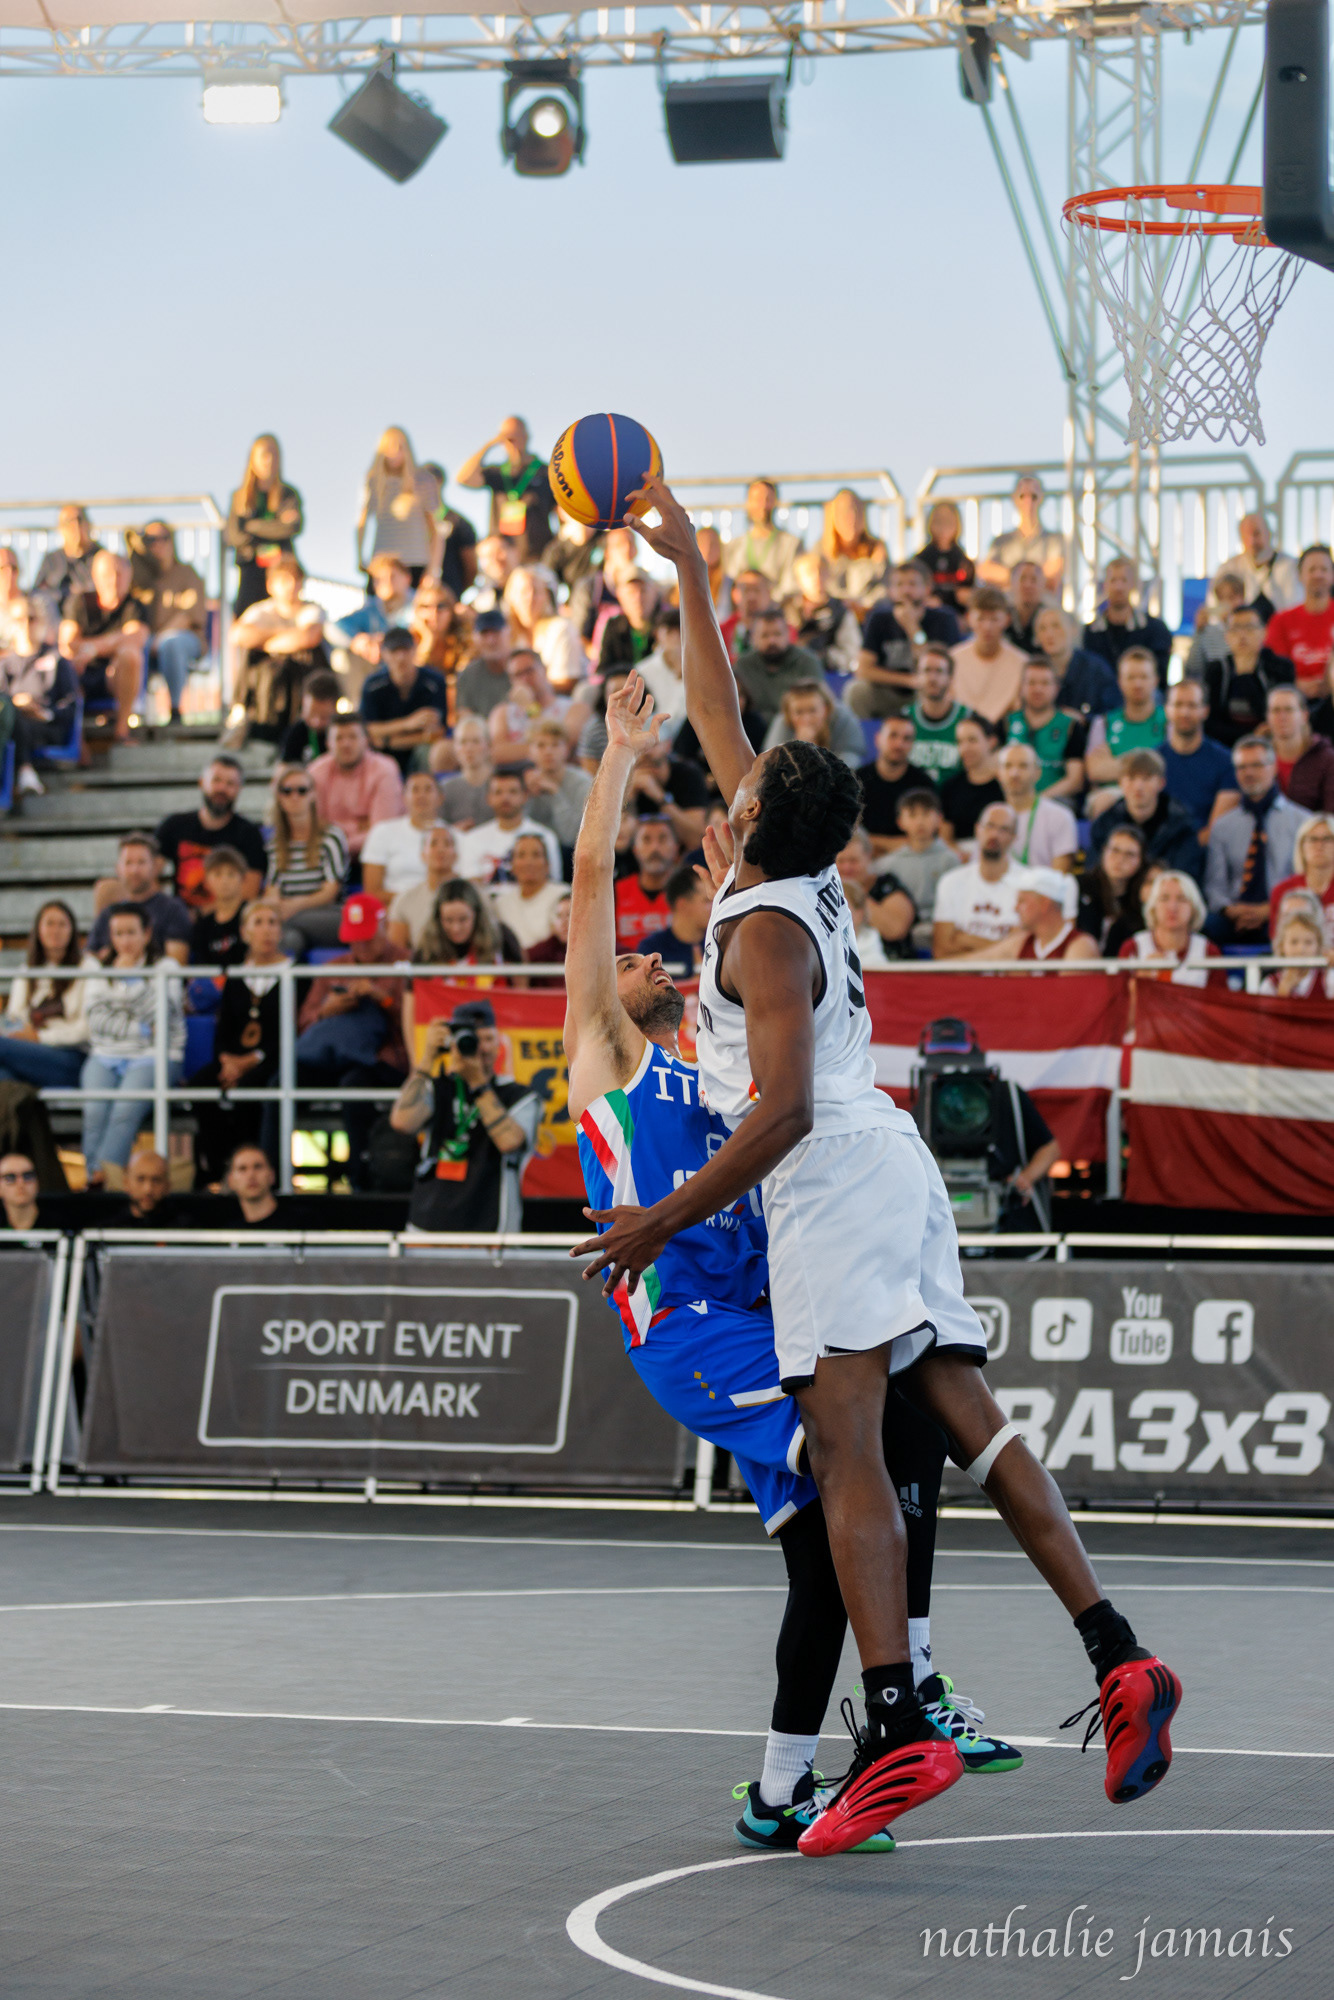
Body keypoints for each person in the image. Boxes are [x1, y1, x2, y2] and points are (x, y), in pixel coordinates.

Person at [589, 485, 1179, 1852]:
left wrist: (655, 1224)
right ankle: (1118, 1654)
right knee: (972, 1418)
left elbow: (781, 1112)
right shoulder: (803, 876)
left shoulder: (762, 937)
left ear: (747, 822)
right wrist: (679, 548)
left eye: (738, 784)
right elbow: (717, 693)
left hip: (833, 1173)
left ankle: (899, 1725)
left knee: (844, 1445)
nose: (727, 778)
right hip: (891, 1160)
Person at [565, 676, 1016, 1847]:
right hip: (683, 1320)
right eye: (635, 957)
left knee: (834, 1539)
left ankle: (778, 1787)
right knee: (858, 1451)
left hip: (763, 1307)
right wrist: (617, 758)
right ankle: (908, 1688)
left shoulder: (732, 1053)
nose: (650, 962)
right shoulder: (610, 1056)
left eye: (668, 951)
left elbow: (780, 1055)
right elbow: (585, 913)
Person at [391, 998, 540, 1231]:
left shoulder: (519, 1095)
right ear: (452, 1044)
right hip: (427, 1228)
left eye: (488, 1039)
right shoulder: (438, 1086)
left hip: (491, 1231)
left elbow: (510, 1142)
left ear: (499, 1044)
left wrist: (478, 1083)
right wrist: (427, 1059)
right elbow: (401, 1122)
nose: (480, 1047)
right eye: (472, 1039)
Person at [79, 902, 185, 1188]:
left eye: (130, 932)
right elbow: (95, 1019)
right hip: (104, 1054)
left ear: (147, 933)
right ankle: (95, 1180)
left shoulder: (166, 966)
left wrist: (132, 981)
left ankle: (104, 1181)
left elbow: (163, 1017)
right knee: (95, 1112)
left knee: (124, 1111)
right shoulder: (98, 968)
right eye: (118, 933)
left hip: (155, 1056)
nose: (124, 941)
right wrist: (140, 1028)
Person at [186, 900, 289, 1185]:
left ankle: (254, 1173)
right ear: (244, 932)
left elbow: (293, 1031)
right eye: (258, 923)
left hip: (273, 1059)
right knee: (201, 1085)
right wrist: (226, 1061)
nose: (266, 930)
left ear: (281, 931)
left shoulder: (295, 973)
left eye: (272, 922)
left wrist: (251, 1060)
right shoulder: (236, 975)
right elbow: (225, 1028)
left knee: (251, 1089)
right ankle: (221, 1168)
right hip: (234, 1059)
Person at [1203, 735, 1306, 946]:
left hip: (1284, 913)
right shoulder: (1223, 826)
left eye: (1257, 765)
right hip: (1233, 918)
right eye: (1241, 767)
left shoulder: (1302, 822)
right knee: (1204, 927)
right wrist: (1231, 910)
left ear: (1274, 767)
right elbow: (1214, 885)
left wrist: (1270, 909)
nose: (1248, 773)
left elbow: (1305, 880)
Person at [225, 555, 327, 744]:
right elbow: (237, 635)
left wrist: (265, 642)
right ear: (270, 585)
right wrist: (285, 638)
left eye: (294, 580)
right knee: (252, 656)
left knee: (301, 655)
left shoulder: (312, 609)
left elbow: (308, 637)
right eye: (283, 580)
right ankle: (240, 712)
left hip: (301, 674)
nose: (289, 586)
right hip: (268, 676)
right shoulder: (260, 610)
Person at [850, 562, 961, 720]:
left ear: (927, 588)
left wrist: (913, 628)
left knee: (936, 689)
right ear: (890, 590)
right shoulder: (879, 618)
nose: (906, 590)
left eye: (912, 584)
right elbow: (863, 669)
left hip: (928, 690)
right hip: (889, 691)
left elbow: (940, 667)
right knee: (856, 691)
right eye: (899, 584)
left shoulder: (944, 619)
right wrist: (909, 681)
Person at [154, 754, 267, 908]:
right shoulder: (174, 826)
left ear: (239, 789)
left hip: (227, 920)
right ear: (202, 782)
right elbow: (148, 874)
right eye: (216, 780)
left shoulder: (249, 834)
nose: (222, 789)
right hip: (182, 919)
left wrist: (206, 915)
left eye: (230, 783)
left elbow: (250, 892)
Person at [59, 549, 147, 742]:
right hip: (81, 673)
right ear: (95, 576)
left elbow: (135, 638)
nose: (114, 579)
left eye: (119, 573)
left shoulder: (134, 606)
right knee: (64, 669)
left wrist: (92, 649)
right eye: (108, 573)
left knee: (131, 655)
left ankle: (122, 732)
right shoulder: (79, 601)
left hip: (113, 677)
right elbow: (67, 643)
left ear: (128, 575)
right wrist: (112, 643)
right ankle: (75, 743)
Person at [0, 900, 88, 1091]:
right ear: (38, 930)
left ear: (72, 930)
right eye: (49, 923)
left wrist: (40, 1037)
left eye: (62, 924)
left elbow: (85, 1030)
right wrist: (18, 1033)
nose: (55, 930)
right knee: (3, 1077)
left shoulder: (88, 968)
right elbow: (14, 1018)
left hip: (70, 1057)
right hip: (27, 1054)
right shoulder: (26, 971)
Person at [263, 765, 350, 957]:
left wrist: (291, 908)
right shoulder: (276, 842)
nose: (295, 796)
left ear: (313, 795)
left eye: (302, 790)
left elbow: (331, 892)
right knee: (290, 939)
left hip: (331, 914)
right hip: (291, 918)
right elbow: (272, 889)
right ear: (279, 796)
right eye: (287, 791)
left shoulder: (331, 836)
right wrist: (274, 908)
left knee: (280, 925)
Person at [0, 595, 79, 795]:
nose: (27, 624)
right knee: (11, 714)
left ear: (42, 622)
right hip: (14, 726)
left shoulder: (57, 661)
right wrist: (17, 705)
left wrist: (45, 713)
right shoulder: (4, 666)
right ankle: (24, 773)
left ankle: (25, 772)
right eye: (21, 619)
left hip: (48, 727)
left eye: (32, 618)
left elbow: (71, 705)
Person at [931, 803, 1031, 954]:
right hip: (960, 977)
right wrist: (1002, 949)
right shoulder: (951, 882)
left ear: (1014, 837)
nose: (994, 835)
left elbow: (1019, 953)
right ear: (977, 829)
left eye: (1004, 829)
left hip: (1005, 978)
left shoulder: (1028, 884)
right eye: (989, 826)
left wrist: (965, 939)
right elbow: (941, 953)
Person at [1090, 748, 1203, 882]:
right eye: (1131, 778)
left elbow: (1185, 877)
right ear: (1120, 782)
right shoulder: (1104, 825)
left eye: (1146, 778)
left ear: (1161, 783)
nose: (1138, 786)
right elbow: (1094, 873)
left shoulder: (1182, 825)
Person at [225, 434, 303, 616]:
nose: (269, 461)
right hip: (250, 567)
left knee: (284, 616)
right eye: (264, 455)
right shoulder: (240, 497)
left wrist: (250, 526)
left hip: (280, 568)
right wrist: (275, 525)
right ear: (253, 459)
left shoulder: (288, 495)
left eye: (274, 455)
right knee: (246, 616)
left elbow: (291, 528)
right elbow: (234, 536)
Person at [457, 417, 555, 562]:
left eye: (516, 435)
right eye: (507, 436)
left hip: (536, 555)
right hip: (501, 558)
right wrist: (490, 444)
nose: (512, 440)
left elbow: (560, 511)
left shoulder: (545, 472)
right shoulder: (498, 473)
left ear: (526, 436)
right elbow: (463, 478)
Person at [139, 521, 207, 724]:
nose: (158, 544)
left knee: (171, 642)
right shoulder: (141, 579)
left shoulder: (187, 573)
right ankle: (134, 712)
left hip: (184, 639)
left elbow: (188, 616)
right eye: (150, 540)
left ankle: (175, 709)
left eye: (164, 537)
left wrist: (159, 638)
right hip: (150, 640)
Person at [309, 716, 404, 862]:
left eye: (353, 737)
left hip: (378, 856)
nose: (346, 744)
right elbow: (316, 826)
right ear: (328, 744)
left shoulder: (385, 770)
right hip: (327, 856)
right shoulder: (315, 772)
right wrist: (360, 826)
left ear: (366, 741)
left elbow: (383, 833)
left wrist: (338, 841)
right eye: (339, 738)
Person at [1200, 601, 1295, 747]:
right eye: (1236, 629)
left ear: (1264, 632)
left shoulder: (1280, 667)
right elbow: (1210, 723)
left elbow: (1281, 715)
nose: (1242, 635)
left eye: (1249, 628)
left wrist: (1246, 676)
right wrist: (1250, 735)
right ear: (1227, 636)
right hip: (1226, 747)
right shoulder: (1217, 670)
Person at [87, 834, 192, 964]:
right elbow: (90, 961)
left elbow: (176, 966)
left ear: (155, 867)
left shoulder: (173, 910)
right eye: (128, 863)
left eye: (141, 862)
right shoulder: (106, 914)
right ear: (118, 868)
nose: (134, 870)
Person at [326, 553, 417, 701]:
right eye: (379, 579)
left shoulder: (421, 603)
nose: (386, 583)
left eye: (392, 576)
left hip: (411, 667)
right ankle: (360, 711)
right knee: (342, 655)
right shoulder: (371, 608)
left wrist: (386, 642)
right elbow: (332, 628)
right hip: (378, 667)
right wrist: (358, 640)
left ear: (407, 578)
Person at [358, 628, 449, 773]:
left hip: (420, 753)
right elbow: (368, 729)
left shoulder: (434, 682)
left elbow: (437, 733)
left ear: (414, 650)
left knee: (436, 750)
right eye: (394, 651)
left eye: (405, 650)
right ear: (384, 654)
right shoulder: (373, 685)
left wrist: (390, 741)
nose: (401, 657)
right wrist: (409, 723)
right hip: (382, 756)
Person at [452, 768, 562, 886]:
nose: (505, 798)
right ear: (488, 798)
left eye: (513, 792)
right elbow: (469, 886)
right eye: (498, 792)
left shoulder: (545, 836)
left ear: (525, 796)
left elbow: (553, 883)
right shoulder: (472, 839)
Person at [1160, 681, 1239, 840]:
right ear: (1166, 710)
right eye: (1178, 704)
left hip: (1204, 854)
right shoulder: (1153, 761)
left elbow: (1216, 831)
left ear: (1205, 711)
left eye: (1192, 705)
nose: (1184, 712)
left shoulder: (1226, 762)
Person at [354, 427, 433, 585]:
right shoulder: (373, 482)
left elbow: (435, 529)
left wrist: (432, 569)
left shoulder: (423, 480)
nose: (395, 453)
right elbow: (361, 522)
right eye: (390, 448)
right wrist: (360, 556)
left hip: (415, 561)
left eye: (400, 448)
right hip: (381, 560)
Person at [975, 867, 1099, 964]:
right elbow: (974, 962)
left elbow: (1066, 994)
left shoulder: (1081, 946)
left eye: (1022, 901)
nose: (1015, 908)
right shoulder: (1022, 942)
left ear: (1044, 903)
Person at [1118, 869, 1221, 985]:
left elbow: (1219, 1001)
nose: (1172, 907)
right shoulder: (1133, 948)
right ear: (1153, 907)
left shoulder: (1208, 952)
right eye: (1164, 898)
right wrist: (1140, 980)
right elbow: (1120, 999)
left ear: (1193, 908)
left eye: (1181, 899)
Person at [1083, 648, 1167, 788]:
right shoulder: (1103, 723)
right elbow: (1094, 771)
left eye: (1143, 677)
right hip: (1112, 797)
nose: (1137, 684)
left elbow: (1172, 768)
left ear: (1155, 681)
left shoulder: (1169, 721)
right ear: (1120, 682)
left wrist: (1116, 763)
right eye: (1131, 677)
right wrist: (1150, 766)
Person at [1004, 659, 1087, 801]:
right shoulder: (1007, 723)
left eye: (1045, 683)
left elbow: (1075, 780)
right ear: (1021, 687)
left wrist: (1036, 802)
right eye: (1031, 683)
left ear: (1056, 687)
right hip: (1012, 801)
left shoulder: (1070, 726)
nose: (1038, 689)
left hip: (1056, 802)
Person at [1081, 559, 1172, 686]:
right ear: (1104, 585)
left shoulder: (1155, 629)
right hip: (1104, 702)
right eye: (1113, 580)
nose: (1119, 587)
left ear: (1133, 584)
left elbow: (1160, 679)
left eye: (1124, 580)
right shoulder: (1090, 632)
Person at [889, 791, 960, 953]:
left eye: (926, 814)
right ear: (900, 821)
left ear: (939, 819)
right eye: (912, 815)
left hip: (940, 930)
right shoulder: (889, 864)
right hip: (903, 932)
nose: (920, 822)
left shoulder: (951, 860)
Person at [857, 715, 938, 853]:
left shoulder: (924, 783)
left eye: (907, 738)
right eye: (893, 736)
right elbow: (851, 835)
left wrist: (876, 842)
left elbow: (929, 837)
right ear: (878, 739)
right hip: (865, 857)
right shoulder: (857, 780)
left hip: (912, 857)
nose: (899, 744)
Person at [360, 768, 442, 903]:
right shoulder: (382, 832)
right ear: (404, 798)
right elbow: (372, 891)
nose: (421, 795)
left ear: (440, 798)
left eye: (428, 790)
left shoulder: (455, 836)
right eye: (415, 790)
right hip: (393, 909)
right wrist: (414, 901)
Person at [949, 585, 1028, 723]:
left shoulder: (1022, 662)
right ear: (969, 619)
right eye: (981, 619)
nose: (987, 627)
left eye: (994, 619)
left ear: (1007, 620)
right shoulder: (953, 658)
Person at [1265, 543, 1334, 699]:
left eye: (1324, 570)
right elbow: (1274, 668)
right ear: (1299, 575)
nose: (1318, 575)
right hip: (1293, 701)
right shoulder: (1281, 621)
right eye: (1311, 569)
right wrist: (1295, 684)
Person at [733, 609, 824, 726]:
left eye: (777, 634)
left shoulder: (807, 662)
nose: (772, 641)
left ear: (788, 634)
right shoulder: (742, 666)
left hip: (795, 727)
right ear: (753, 638)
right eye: (765, 635)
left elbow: (817, 705)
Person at [996, 740, 1076, 872]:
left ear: (1037, 773)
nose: (1014, 773)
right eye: (1007, 766)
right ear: (998, 773)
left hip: (1043, 890)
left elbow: (1060, 877)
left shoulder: (1060, 816)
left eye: (1023, 766)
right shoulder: (991, 818)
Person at [976, 472, 1064, 593]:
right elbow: (985, 571)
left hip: (1044, 606)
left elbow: (1052, 577)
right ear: (1015, 499)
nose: (1028, 502)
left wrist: (1009, 577)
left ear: (1041, 498)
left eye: (1033, 496)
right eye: (1023, 496)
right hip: (1008, 606)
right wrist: (1033, 578)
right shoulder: (1001, 541)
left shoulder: (1054, 540)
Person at [835, 830, 916, 959]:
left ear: (868, 857)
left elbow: (895, 929)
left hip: (892, 968)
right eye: (840, 861)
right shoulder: (824, 891)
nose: (846, 868)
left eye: (853, 861)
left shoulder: (887, 885)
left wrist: (853, 893)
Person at [1030, 605, 1121, 719]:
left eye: (1056, 626)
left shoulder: (1096, 669)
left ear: (1073, 629)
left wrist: (1084, 720)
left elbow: (1115, 712)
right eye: (1042, 628)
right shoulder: (1032, 671)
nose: (1049, 634)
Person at [504, 565, 585, 692]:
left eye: (535, 591)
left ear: (547, 596)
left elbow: (567, 681)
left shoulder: (561, 628)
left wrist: (531, 692)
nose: (530, 598)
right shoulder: (507, 636)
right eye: (523, 592)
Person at [1075, 823, 1149, 955]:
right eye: (1115, 850)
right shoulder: (1078, 885)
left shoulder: (1141, 898)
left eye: (1129, 854)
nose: (1120, 859)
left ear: (1140, 860)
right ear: (1104, 851)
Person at [386, 824, 460, 955]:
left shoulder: (475, 895)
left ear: (456, 855)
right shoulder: (405, 900)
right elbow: (397, 951)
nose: (440, 850)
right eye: (433, 844)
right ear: (422, 855)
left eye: (447, 844)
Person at [786, 553, 863, 676]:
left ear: (829, 575)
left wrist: (824, 657)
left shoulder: (841, 610)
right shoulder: (786, 609)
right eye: (809, 572)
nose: (817, 577)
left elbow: (851, 653)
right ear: (798, 579)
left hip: (828, 674)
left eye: (821, 571)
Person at [625, 737, 710, 849]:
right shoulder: (624, 777)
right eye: (640, 745)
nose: (646, 752)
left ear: (668, 745)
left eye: (653, 745)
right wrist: (628, 799)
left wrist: (660, 798)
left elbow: (697, 840)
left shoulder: (687, 774)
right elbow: (617, 843)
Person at [490, 832, 567, 954]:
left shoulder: (563, 896)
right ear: (511, 865)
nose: (528, 862)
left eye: (536, 855)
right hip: (512, 969)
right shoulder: (501, 903)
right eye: (521, 855)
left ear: (547, 864)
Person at [722, 478, 802, 596]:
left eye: (768, 499)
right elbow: (730, 583)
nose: (763, 505)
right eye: (757, 499)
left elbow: (789, 587)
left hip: (775, 611)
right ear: (748, 502)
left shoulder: (791, 544)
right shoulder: (734, 546)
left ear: (776, 503)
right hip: (742, 611)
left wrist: (766, 600)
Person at [763, 679, 865, 771]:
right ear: (789, 714)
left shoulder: (842, 717)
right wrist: (800, 750)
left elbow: (851, 758)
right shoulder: (782, 721)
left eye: (813, 710)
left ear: (825, 709)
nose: (807, 719)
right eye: (798, 712)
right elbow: (771, 763)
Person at [636, 862, 715, 978]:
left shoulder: (718, 944)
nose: (715, 906)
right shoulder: (651, 950)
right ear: (682, 905)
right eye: (707, 901)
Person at [523, 719, 592, 851]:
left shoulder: (582, 783)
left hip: (571, 853)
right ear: (530, 752)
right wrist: (527, 797)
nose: (548, 751)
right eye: (541, 745)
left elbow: (571, 837)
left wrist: (555, 793)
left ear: (566, 750)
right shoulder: (524, 783)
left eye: (555, 745)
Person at [614, 816, 680, 947]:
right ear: (635, 850)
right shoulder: (615, 892)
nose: (655, 848)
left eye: (662, 839)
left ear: (676, 848)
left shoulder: (689, 893)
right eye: (646, 840)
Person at [903, 646, 968, 781]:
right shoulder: (904, 719)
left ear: (950, 678)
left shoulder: (968, 718)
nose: (932, 678)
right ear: (917, 676)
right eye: (926, 670)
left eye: (939, 671)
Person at [1267, 684, 1334, 810]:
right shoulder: (1258, 756)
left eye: (1289, 710)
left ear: (1304, 716)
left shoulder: (1327, 759)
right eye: (1276, 710)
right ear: (1267, 716)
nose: (1282, 717)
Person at [821, 488, 889, 612]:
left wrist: (862, 604)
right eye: (845, 511)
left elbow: (884, 589)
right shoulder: (820, 550)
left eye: (856, 510)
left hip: (867, 615)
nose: (851, 517)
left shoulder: (876, 548)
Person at [939, 715, 1004, 844]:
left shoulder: (1005, 786)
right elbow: (944, 837)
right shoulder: (950, 786)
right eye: (960, 742)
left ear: (991, 741)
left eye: (972, 740)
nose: (965, 748)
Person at [1268, 813, 1334, 938]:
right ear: (1301, 845)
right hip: (1297, 956)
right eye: (1313, 839)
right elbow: (1277, 940)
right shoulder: (1283, 891)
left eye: (1327, 839)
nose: (1319, 846)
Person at [418, 460, 478, 598]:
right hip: (416, 597)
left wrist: (454, 593)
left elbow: (471, 567)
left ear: (439, 482)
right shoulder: (411, 523)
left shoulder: (459, 523)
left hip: (449, 596)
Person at [188, 848, 252, 975]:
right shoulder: (203, 924)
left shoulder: (253, 916)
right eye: (217, 874)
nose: (224, 880)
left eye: (231, 874)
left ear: (243, 878)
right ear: (207, 881)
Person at [1228, 511, 1301, 619]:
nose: (1252, 541)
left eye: (1256, 533)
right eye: (1246, 536)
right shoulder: (1230, 568)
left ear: (1269, 534)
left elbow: (1296, 608)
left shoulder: (1290, 566)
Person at [34, 503, 103, 617]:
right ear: (60, 528)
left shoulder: (102, 559)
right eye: (69, 522)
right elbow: (37, 594)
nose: (75, 526)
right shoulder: (51, 560)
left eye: (79, 520)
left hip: (92, 622)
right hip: (56, 623)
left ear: (88, 524)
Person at [451, 609, 513, 727]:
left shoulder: (526, 664)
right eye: (484, 634)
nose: (491, 641)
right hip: (483, 739)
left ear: (508, 632)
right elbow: (465, 716)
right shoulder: (468, 674)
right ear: (475, 637)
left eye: (496, 632)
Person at [1183, 570, 1248, 679]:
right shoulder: (1207, 632)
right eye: (1222, 598)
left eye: (1232, 597)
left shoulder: (1252, 631)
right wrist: (1198, 631)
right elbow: (1193, 668)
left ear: (1242, 598)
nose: (1227, 603)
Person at [594, 567, 661, 674]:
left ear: (654, 593)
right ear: (620, 596)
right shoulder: (613, 625)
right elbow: (603, 668)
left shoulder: (667, 625)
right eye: (631, 592)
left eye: (643, 591)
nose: (638, 598)